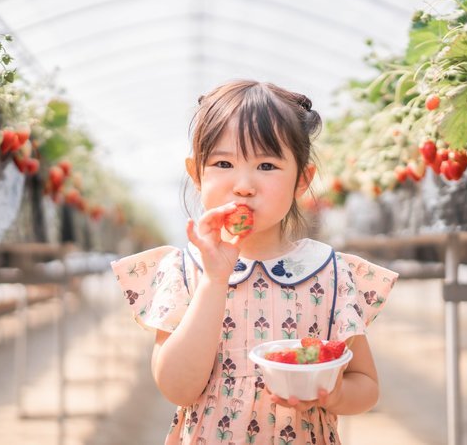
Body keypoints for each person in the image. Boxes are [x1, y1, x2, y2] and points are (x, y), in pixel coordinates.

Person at [111, 80, 398, 444]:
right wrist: (215, 281)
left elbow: (366, 384)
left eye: (266, 165)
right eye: (224, 163)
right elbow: (178, 388)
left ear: (302, 180)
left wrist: (335, 396)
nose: (244, 185)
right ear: (197, 174)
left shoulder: (331, 273)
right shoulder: (186, 271)